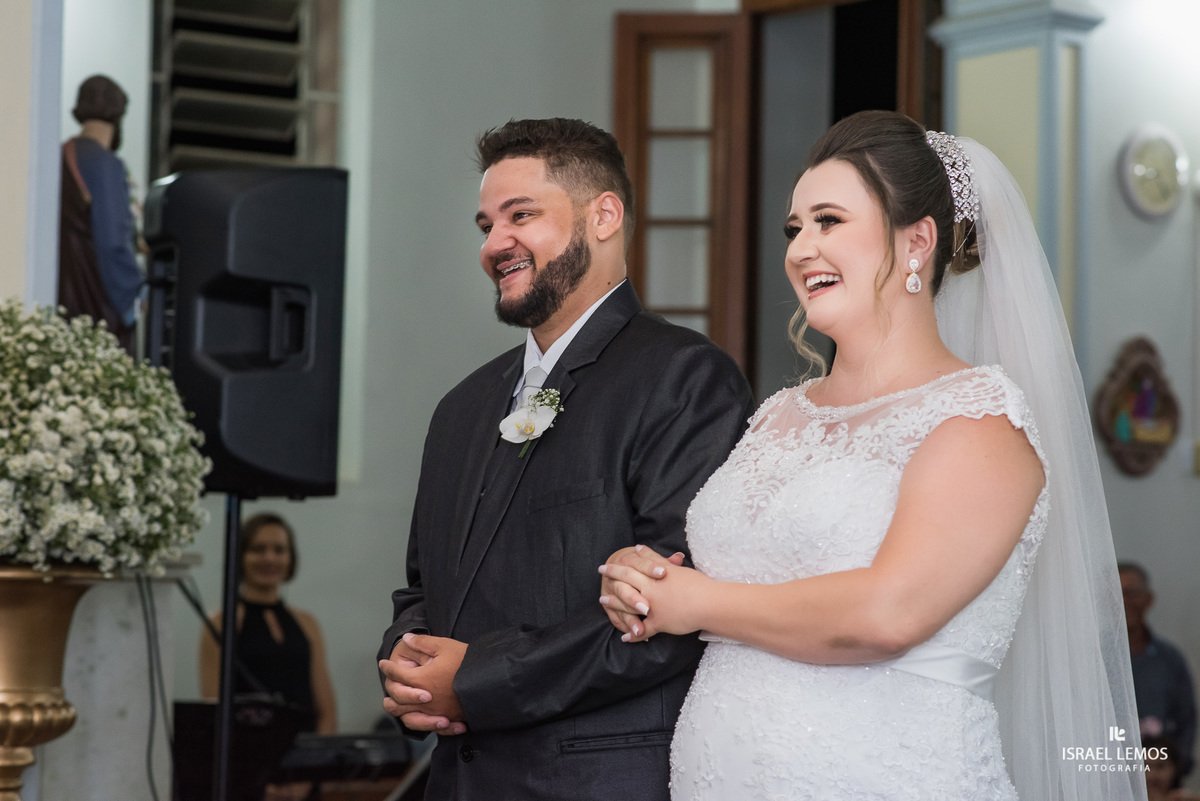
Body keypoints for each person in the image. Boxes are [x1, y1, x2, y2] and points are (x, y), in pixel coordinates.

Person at [599, 110, 1145, 800]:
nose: (801, 248)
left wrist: (695, 601)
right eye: (794, 228)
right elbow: (719, 571)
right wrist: (641, 578)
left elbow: (890, 613)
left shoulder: (979, 421)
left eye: (829, 221)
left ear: (916, 241)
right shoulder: (777, 414)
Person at [377, 118, 754, 800]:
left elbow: (671, 614)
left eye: (521, 215)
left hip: (593, 778)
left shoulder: (683, 377)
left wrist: (471, 681)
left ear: (603, 215)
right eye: (486, 224)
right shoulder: (460, 407)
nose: (495, 244)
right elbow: (422, 588)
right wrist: (409, 661)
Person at [200, 512, 337, 735]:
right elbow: (214, 708)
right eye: (258, 549)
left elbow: (327, 712)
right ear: (240, 556)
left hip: (303, 755)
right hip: (248, 757)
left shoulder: (308, 623)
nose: (270, 558)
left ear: (291, 558)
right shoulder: (221, 623)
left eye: (279, 550)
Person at [58, 74, 144, 355]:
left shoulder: (61, 155)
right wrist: (134, 294)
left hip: (63, 300)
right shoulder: (107, 166)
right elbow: (113, 242)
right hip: (99, 306)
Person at [1121, 562, 1197, 776]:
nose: (1123, 601)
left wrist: (1171, 773)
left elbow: (1186, 721)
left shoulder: (1169, 659)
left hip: (1161, 781)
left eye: (1130, 593)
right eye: (1115, 593)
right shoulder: (1094, 658)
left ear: (1148, 599)